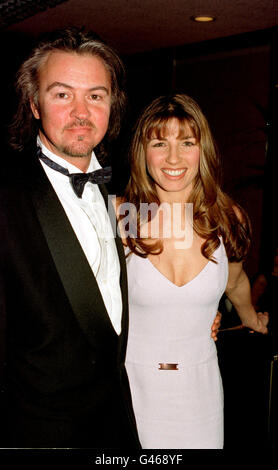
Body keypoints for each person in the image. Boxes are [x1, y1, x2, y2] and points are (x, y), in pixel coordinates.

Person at [0, 27, 141, 449]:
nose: (82, 112)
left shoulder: (119, 191)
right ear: (34, 104)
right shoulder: (7, 198)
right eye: (63, 95)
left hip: (117, 424)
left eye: (95, 96)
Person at [116, 94, 269, 449]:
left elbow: (234, 280)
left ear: (204, 150)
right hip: (133, 390)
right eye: (160, 143)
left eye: (187, 143)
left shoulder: (228, 217)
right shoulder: (120, 216)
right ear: (143, 151)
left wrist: (250, 318)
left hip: (200, 394)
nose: (173, 158)